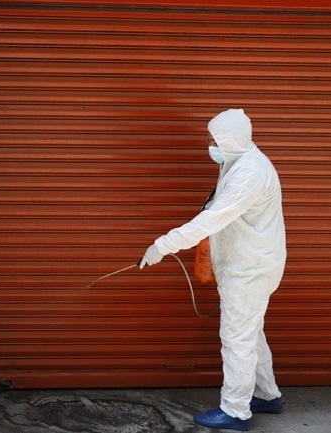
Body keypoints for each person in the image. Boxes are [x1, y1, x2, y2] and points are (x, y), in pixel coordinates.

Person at [138, 109, 285, 431]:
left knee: (237, 338)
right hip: (247, 264)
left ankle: (235, 411)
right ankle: (267, 395)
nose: (209, 145)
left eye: (212, 140)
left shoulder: (248, 173)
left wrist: (162, 246)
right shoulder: (238, 162)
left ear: (230, 139)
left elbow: (210, 220)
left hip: (249, 269)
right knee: (250, 333)